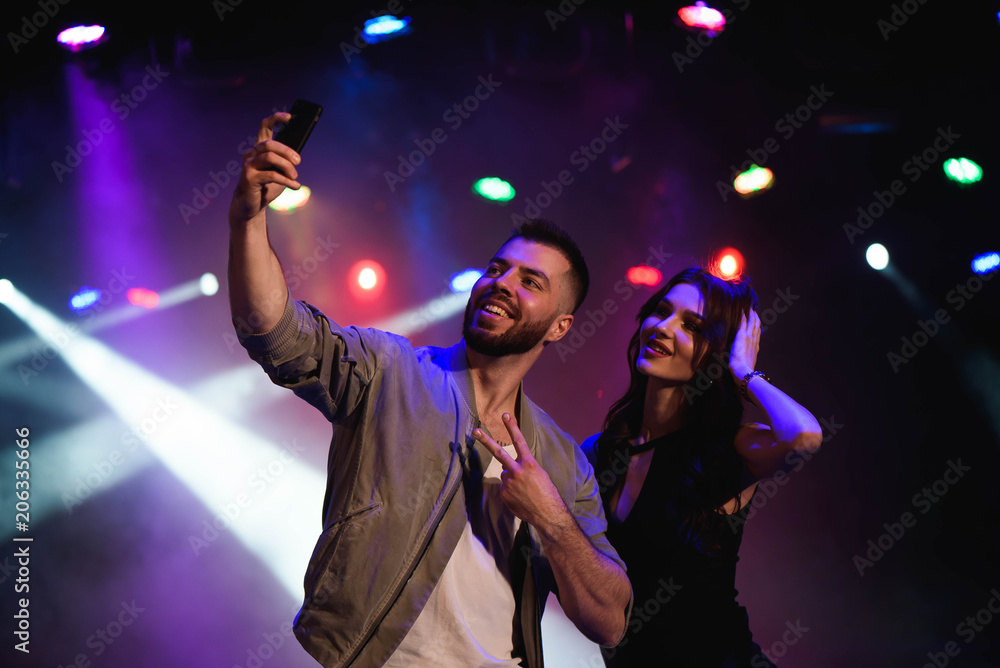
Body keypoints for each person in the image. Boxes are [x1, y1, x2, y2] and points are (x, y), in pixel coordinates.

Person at [227, 111, 631, 668]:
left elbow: (609, 622)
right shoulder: (390, 369)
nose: (501, 284)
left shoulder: (564, 464)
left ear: (561, 326)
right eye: (498, 268)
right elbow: (274, 332)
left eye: (530, 282)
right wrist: (248, 219)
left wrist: (552, 519)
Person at [582, 266, 822, 667]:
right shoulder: (602, 451)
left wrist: (744, 371)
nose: (661, 327)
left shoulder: (729, 447)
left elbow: (804, 436)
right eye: (662, 311)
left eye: (691, 326)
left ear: (718, 352)